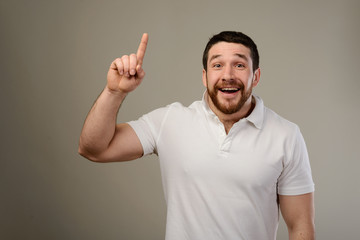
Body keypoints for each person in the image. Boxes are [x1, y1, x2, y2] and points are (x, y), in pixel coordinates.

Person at [78, 31, 315, 240]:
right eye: (217, 65)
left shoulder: (287, 135)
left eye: (240, 65)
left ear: (256, 76)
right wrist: (114, 91)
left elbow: (300, 226)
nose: (228, 74)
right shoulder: (170, 121)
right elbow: (95, 149)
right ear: (205, 76)